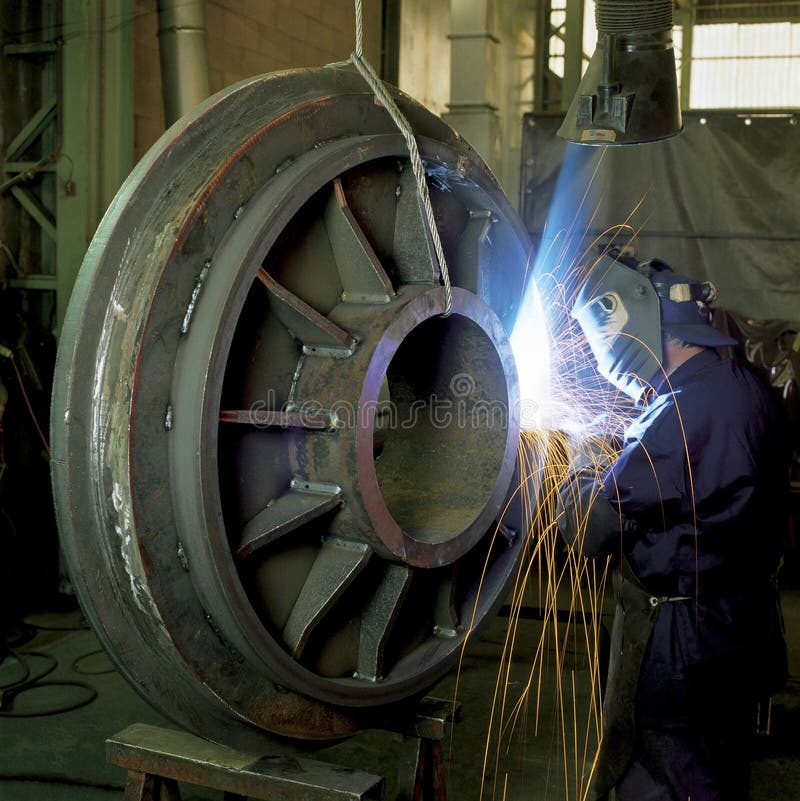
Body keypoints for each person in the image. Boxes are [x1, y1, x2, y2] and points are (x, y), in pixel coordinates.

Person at [557, 251, 790, 801]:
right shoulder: (742, 386)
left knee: (661, 783)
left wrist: (583, 451)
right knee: (716, 776)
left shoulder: (680, 415)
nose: (598, 364)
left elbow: (590, 530)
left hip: (683, 654)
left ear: (638, 325)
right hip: (736, 631)